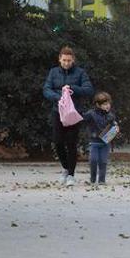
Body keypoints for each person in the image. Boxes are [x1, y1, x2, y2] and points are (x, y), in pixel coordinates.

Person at [42, 46, 94, 187]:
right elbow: (46, 89)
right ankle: (65, 167)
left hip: (74, 113)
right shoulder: (53, 72)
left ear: (73, 60)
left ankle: (71, 175)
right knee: (58, 142)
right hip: (58, 111)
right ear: (59, 59)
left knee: (71, 143)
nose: (66, 63)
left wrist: (72, 88)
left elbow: (89, 90)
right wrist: (58, 97)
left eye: (69, 60)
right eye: (64, 60)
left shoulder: (80, 73)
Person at [82, 91, 118, 185]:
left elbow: (113, 127)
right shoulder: (91, 114)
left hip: (105, 143)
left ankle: (102, 180)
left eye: (109, 103)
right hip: (94, 142)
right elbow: (82, 118)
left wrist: (116, 127)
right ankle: (92, 179)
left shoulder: (111, 115)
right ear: (98, 104)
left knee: (103, 161)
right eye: (105, 104)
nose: (108, 106)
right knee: (93, 160)